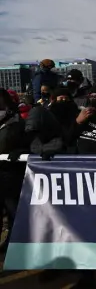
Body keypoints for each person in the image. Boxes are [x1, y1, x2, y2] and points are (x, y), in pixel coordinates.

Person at [0, 88, 28, 253]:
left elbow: (28, 144)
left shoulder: (18, 123)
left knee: (13, 212)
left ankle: (15, 245)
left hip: (11, 174)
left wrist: (20, 151)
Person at [48, 88, 81, 153]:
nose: (64, 100)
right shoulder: (50, 112)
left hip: (72, 144)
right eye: (61, 98)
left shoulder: (75, 110)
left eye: (66, 98)